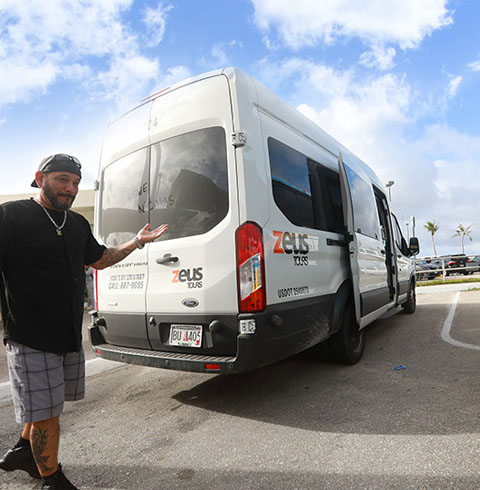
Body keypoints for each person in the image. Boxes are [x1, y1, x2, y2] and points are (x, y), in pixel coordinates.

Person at [0, 154, 168, 489]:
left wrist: (136, 242)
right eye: (63, 179)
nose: (71, 188)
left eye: (76, 182)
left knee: (48, 403)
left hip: (66, 333)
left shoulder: (76, 224)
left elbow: (101, 259)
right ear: (40, 177)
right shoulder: (12, 216)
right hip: (29, 334)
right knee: (47, 411)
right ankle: (52, 479)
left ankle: (23, 450)